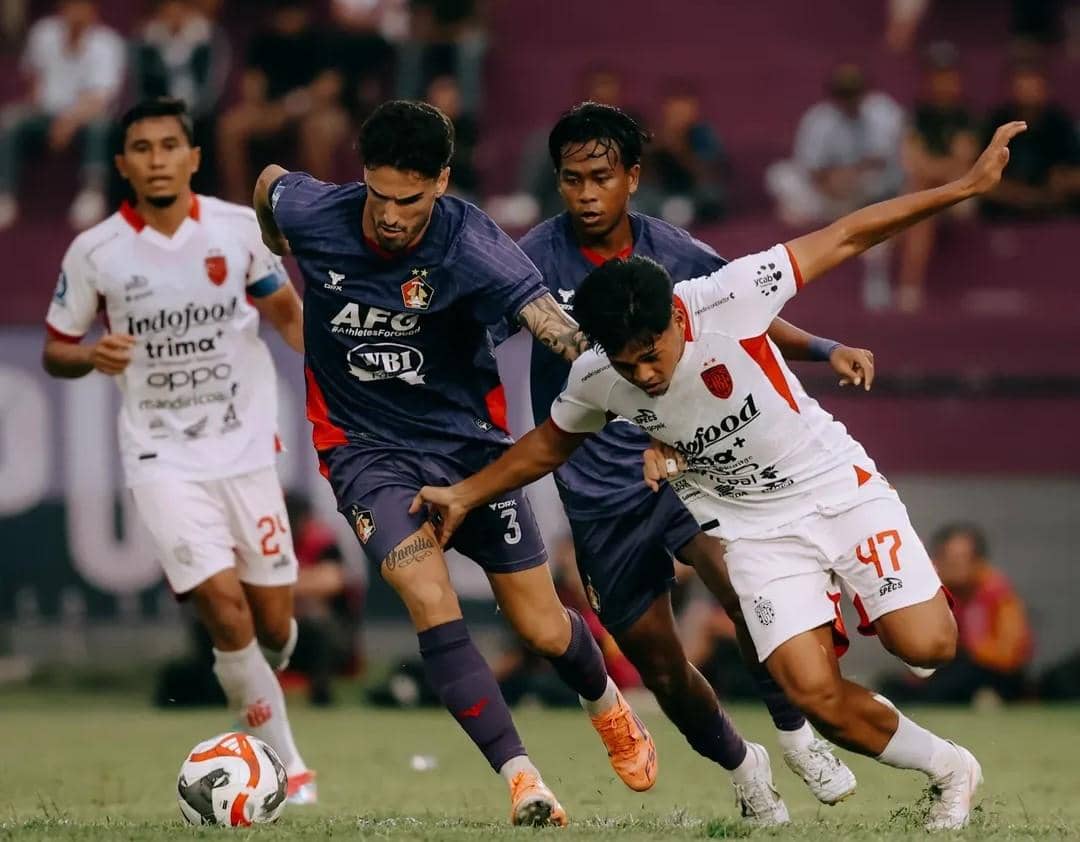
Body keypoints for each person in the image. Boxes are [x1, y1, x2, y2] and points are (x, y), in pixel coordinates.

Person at [414, 120, 1029, 831]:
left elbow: (849, 234)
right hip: (750, 527)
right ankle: (950, 769)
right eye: (628, 366)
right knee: (814, 694)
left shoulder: (729, 293)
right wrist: (462, 493)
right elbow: (546, 447)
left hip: (833, 488)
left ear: (678, 316)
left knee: (927, 647)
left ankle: (863, 638)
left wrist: (963, 187)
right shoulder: (596, 372)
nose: (645, 375)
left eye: (653, 355)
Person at [252, 100, 655, 827]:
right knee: (426, 594)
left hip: (468, 451)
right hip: (363, 449)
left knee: (542, 627)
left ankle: (606, 704)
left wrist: (630, 386)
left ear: (441, 181)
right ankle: (523, 779)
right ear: (363, 177)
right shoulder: (315, 214)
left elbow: (555, 330)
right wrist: (274, 238)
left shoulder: (474, 246)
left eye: (409, 200)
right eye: (379, 195)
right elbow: (269, 181)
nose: (391, 216)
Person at [515, 102, 866, 822]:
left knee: (744, 590)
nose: (587, 195)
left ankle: (797, 736)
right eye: (573, 180)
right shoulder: (528, 261)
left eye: (601, 178)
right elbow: (471, 326)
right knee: (663, 668)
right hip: (596, 496)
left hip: (683, 465)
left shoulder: (676, 254)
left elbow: (751, 312)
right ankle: (745, 768)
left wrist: (826, 348)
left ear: (632, 177)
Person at [41, 97, 316, 805]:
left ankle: (251, 682)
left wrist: (335, 369)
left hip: (247, 448)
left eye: (169, 146)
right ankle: (288, 767)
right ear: (122, 163)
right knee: (223, 609)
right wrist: (88, 354)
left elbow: (285, 311)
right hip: (160, 455)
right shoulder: (96, 251)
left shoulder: (237, 229)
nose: (157, 159)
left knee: (274, 628)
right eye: (142, 148)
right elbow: (55, 349)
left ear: (193, 158)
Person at [765, 64, 904, 309]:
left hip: (867, 192)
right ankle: (824, 214)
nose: (850, 99)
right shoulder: (818, 119)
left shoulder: (883, 112)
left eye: (854, 92)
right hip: (828, 193)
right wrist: (833, 182)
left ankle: (875, 283)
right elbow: (810, 167)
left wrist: (851, 176)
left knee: (887, 187)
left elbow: (885, 159)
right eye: (844, 93)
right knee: (780, 175)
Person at [0, 0, 125, 230]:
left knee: (100, 126)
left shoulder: (108, 43)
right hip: (44, 112)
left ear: (93, 10)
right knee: (8, 120)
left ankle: (92, 192)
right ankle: (4, 193)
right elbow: (33, 76)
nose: (76, 12)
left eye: (81, 6)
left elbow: (99, 98)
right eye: (71, 6)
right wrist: (34, 107)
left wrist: (68, 122)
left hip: (85, 116)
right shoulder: (42, 32)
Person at [216, 0, 348, 203]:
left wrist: (287, 109)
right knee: (230, 127)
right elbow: (252, 84)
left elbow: (329, 87)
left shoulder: (322, 37)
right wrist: (264, 108)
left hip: (314, 109)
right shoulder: (263, 39)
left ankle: (320, 202)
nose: (287, 21)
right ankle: (239, 201)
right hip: (270, 110)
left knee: (317, 129)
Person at [896, 43, 978, 312]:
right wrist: (934, 172)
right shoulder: (917, 116)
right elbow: (911, 161)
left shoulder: (967, 117)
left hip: (963, 193)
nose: (943, 83)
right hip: (926, 192)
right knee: (920, 206)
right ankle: (908, 285)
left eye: (948, 76)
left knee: (919, 201)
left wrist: (933, 172)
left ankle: (909, 284)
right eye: (937, 76)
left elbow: (963, 164)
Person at [920, 523, 1032, 703]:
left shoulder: (997, 592)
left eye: (961, 559)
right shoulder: (934, 592)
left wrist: (971, 649)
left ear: (978, 561)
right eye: (946, 559)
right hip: (952, 665)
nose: (954, 566)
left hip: (993, 671)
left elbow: (1010, 653)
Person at [980, 59, 1080, 219]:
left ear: (1045, 89)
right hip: (1005, 205)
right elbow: (980, 171)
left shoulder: (1060, 123)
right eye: (1022, 86)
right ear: (1012, 88)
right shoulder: (998, 122)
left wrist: (1062, 179)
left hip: (1055, 204)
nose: (1027, 93)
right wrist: (1019, 194)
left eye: (1033, 86)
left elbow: (1073, 171)